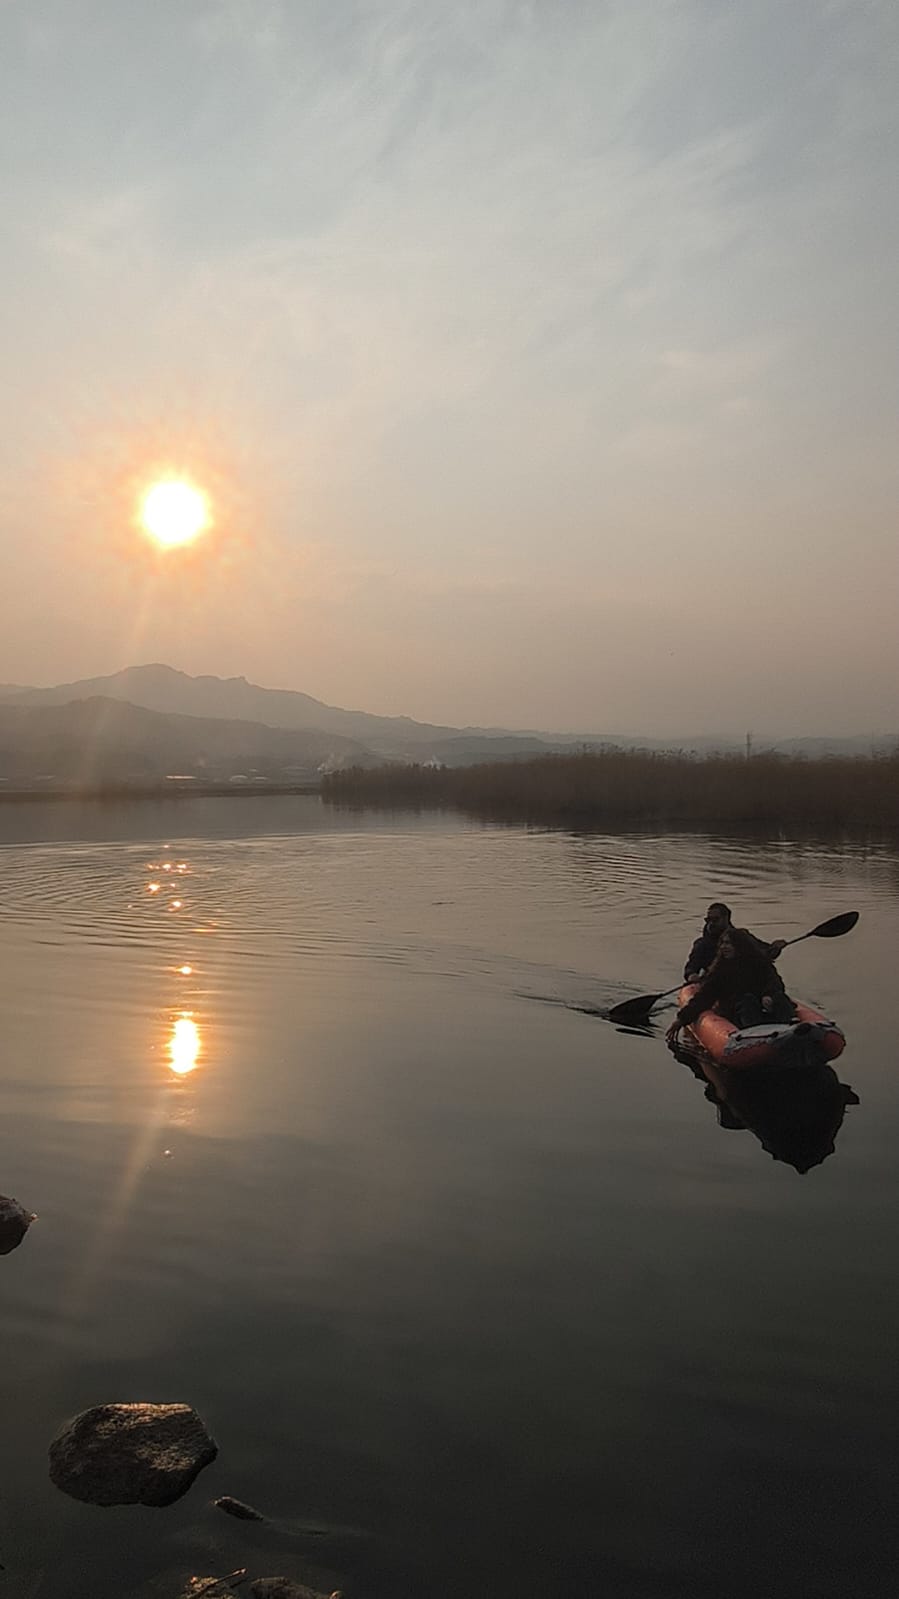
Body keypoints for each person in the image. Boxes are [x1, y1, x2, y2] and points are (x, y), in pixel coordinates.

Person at [666, 926, 796, 1047]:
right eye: (722, 943)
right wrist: (682, 1019)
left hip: (761, 1007)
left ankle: (791, 1027)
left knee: (778, 997)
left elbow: (775, 982)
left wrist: (768, 994)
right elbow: (704, 997)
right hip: (737, 1012)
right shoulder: (720, 970)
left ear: (740, 946)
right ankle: (758, 1035)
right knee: (747, 1000)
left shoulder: (760, 963)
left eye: (728, 943)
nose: (724, 947)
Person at [684, 901, 785, 982]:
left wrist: (776, 947)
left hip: (744, 981)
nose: (711, 923)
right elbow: (691, 966)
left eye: (715, 919)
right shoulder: (702, 944)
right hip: (716, 982)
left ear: (726, 918)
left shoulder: (743, 937)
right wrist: (691, 975)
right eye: (708, 920)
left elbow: (766, 953)